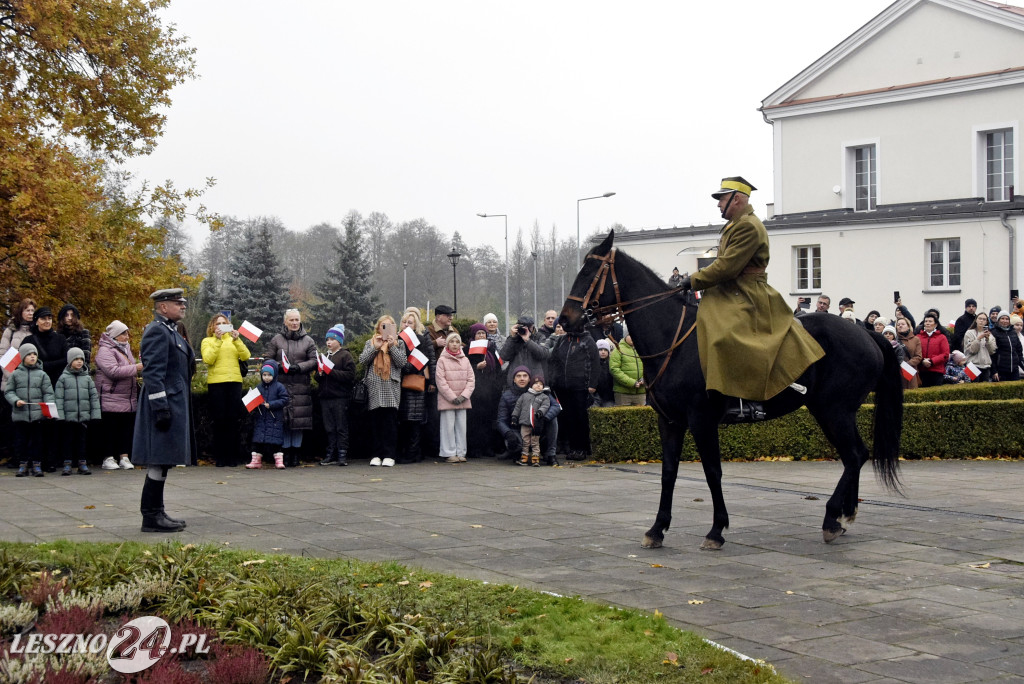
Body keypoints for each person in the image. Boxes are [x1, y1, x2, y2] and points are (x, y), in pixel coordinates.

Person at [681, 177, 824, 421]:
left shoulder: (748, 226)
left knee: (727, 334)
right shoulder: (734, 225)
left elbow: (727, 267)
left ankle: (745, 399)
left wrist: (692, 280)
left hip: (747, 292)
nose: (718, 205)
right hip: (731, 289)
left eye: (722, 200)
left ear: (736, 199)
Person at [132, 288, 194, 533]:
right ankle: (150, 516)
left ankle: (157, 512)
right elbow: (153, 374)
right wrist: (160, 408)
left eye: (182, 303)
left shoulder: (171, 331)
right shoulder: (157, 331)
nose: (182, 306)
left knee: (164, 461)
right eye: (177, 303)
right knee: (158, 460)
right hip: (164, 404)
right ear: (162, 306)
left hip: (172, 402)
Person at [265, 309, 317, 467]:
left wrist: (298, 367)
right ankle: (285, 453)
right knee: (285, 421)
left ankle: (296, 453)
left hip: (301, 386)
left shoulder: (308, 341)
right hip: (282, 386)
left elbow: (314, 360)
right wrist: (279, 367)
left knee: (298, 423)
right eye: (291, 320)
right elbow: (268, 359)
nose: (294, 323)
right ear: (285, 322)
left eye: (297, 320)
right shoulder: (276, 340)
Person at [200, 313, 251, 467]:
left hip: (234, 381)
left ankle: (232, 456)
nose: (221, 326)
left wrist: (238, 340)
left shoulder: (233, 340)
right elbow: (208, 359)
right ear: (212, 326)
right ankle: (220, 456)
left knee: (232, 420)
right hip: (216, 383)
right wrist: (217, 340)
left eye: (224, 323)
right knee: (219, 420)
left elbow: (246, 355)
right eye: (218, 323)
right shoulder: (207, 341)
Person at [359, 314, 407, 467]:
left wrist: (392, 346)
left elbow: (401, 363)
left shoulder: (398, 343)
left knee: (390, 423)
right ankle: (376, 454)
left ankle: (389, 454)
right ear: (378, 328)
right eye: (383, 326)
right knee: (375, 423)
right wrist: (376, 347)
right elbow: (362, 360)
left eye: (390, 326)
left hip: (390, 386)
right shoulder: (370, 342)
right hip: (374, 386)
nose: (386, 329)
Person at [23, 306, 67, 471]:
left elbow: (66, 360)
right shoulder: (29, 341)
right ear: (37, 321)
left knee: (53, 423)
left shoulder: (60, 339)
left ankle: (51, 460)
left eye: (49, 318)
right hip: (34, 387)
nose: (47, 321)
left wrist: (43, 365)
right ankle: (34, 460)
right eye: (43, 318)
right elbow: (18, 361)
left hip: (55, 386)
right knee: (35, 425)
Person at [94, 320, 141, 470]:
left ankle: (124, 457)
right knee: (110, 429)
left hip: (126, 397)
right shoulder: (104, 351)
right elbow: (113, 371)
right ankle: (108, 457)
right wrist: (137, 367)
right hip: (111, 396)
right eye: (123, 333)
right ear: (115, 335)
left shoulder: (125, 349)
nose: (127, 336)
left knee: (125, 429)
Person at [548, 327, 600, 460]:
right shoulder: (561, 341)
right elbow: (553, 361)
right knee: (568, 418)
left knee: (580, 419)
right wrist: (553, 380)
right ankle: (572, 448)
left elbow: (595, 363)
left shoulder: (588, 340)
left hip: (581, 387)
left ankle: (582, 449)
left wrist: (592, 385)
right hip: (563, 387)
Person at [5, 343, 57, 477]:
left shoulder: (42, 374)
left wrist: (47, 407)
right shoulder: (15, 374)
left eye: (34, 354)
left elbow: (48, 393)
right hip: (20, 415)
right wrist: (16, 401)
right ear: (22, 357)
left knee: (37, 441)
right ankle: (22, 464)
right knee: (21, 441)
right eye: (29, 354)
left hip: (37, 415)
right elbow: (9, 391)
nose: (32, 357)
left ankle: (36, 465)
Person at [497, 366, 561, 465]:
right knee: (514, 444)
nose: (522, 378)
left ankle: (550, 454)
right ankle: (517, 453)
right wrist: (508, 433)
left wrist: (543, 418)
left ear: (529, 379)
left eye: (525, 376)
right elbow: (501, 420)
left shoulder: (540, 390)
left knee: (553, 419)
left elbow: (556, 406)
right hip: (518, 430)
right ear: (514, 379)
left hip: (538, 429)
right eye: (518, 376)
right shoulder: (506, 396)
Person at [396, 308, 436, 464]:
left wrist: (432, 381)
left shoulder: (421, 338)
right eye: (404, 322)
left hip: (416, 381)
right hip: (400, 383)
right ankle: (406, 451)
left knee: (415, 419)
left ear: (416, 324)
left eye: (410, 322)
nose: (406, 324)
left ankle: (413, 452)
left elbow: (429, 359)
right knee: (403, 420)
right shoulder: (398, 339)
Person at [1, 298, 36, 467]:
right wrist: (13, 377)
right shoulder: (11, 330)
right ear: (20, 311)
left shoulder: (35, 331)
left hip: (31, 384)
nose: (30, 313)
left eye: (32, 311)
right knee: (10, 422)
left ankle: (27, 457)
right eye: (27, 310)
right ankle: (12, 455)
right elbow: (3, 354)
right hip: (10, 382)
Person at [55, 347, 100, 475]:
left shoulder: (87, 378)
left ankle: (82, 463)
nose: (79, 362)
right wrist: (60, 415)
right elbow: (59, 398)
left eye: (81, 359)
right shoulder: (63, 378)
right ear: (70, 361)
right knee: (67, 441)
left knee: (82, 441)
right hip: (69, 417)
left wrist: (95, 414)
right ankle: (67, 463)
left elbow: (93, 397)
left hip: (83, 416)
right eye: (76, 359)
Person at [317, 324, 356, 466]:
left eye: (332, 339)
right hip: (325, 397)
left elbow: (350, 375)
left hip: (340, 397)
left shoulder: (345, 355)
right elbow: (318, 377)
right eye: (327, 339)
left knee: (341, 427)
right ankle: (330, 453)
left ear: (339, 341)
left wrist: (331, 371)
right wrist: (319, 374)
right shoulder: (325, 355)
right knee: (329, 428)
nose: (329, 342)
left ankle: (342, 454)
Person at [435, 331, 475, 463]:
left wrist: (464, 396)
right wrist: (452, 397)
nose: (454, 344)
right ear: (447, 344)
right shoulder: (442, 360)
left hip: (462, 399)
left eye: (457, 342)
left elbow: (471, 380)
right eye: (452, 341)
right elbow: (440, 381)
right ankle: (449, 452)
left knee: (461, 427)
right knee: (448, 426)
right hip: (448, 400)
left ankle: (461, 452)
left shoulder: (465, 360)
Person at [465, 322, 503, 458]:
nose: (481, 336)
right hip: (476, 391)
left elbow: (499, 366)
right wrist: (476, 367)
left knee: (489, 420)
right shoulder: (467, 349)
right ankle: (475, 448)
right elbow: (465, 369)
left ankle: (488, 447)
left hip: (491, 390)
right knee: (475, 420)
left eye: (483, 333)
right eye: (478, 333)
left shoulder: (492, 348)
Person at [247, 361, 290, 469]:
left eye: (269, 375)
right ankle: (256, 460)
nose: (267, 377)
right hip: (261, 418)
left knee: (276, 441)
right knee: (258, 441)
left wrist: (272, 404)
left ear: (274, 375)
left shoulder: (279, 387)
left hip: (274, 418)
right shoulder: (259, 387)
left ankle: (279, 461)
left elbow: (285, 399)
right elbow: (254, 398)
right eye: (264, 375)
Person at [499, 316, 551, 390]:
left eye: (528, 327)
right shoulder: (513, 339)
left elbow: (543, 354)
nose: (525, 329)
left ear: (532, 327)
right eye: (522, 326)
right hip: (516, 381)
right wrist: (513, 338)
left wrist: (528, 340)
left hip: (535, 381)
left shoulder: (539, 337)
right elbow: (504, 356)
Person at [512, 374, 550, 467]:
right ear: (531, 384)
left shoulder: (544, 397)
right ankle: (524, 457)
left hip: (536, 424)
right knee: (525, 441)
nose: (538, 385)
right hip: (524, 423)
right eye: (536, 383)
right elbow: (518, 407)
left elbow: (545, 406)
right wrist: (514, 417)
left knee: (535, 442)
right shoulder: (524, 396)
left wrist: (540, 412)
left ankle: (535, 458)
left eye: (541, 384)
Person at [609, 334, 646, 406]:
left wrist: (645, 379)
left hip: (641, 392)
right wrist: (632, 382)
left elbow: (650, 367)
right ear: (625, 336)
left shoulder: (642, 349)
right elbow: (614, 369)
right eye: (630, 335)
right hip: (623, 393)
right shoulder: (618, 349)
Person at [916, 313, 950, 387]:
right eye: (926, 321)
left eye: (930, 321)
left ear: (935, 324)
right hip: (922, 371)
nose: (927, 323)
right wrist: (922, 361)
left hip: (937, 371)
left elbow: (945, 354)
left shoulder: (942, 337)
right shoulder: (918, 337)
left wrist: (932, 361)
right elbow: (915, 353)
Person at [963, 312, 995, 383]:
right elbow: (972, 350)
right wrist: (979, 338)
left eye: (984, 319)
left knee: (984, 389)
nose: (981, 321)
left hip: (985, 366)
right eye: (980, 318)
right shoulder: (969, 333)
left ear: (986, 322)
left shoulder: (990, 335)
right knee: (973, 389)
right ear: (976, 320)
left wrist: (987, 340)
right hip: (971, 365)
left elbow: (992, 351)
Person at [991, 310, 1022, 382]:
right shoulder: (993, 332)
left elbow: (1019, 352)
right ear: (998, 320)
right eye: (1002, 318)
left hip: (1014, 370)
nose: (1005, 321)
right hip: (1001, 370)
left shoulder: (1013, 332)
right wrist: (994, 371)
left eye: (1007, 319)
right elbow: (992, 354)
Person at [895, 318, 922, 390]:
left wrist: (907, 364)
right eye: (898, 325)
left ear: (908, 326)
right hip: (897, 371)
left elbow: (918, 356)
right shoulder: (894, 340)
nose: (900, 326)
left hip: (910, 370)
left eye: (903, 324)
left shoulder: (915, 339)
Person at [593, 339, 615, 407]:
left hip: (609, 397)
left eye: (605, 350)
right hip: (595, 396)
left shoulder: (611, 364)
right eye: (600, 350)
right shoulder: (592, 364)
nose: (603, 352)